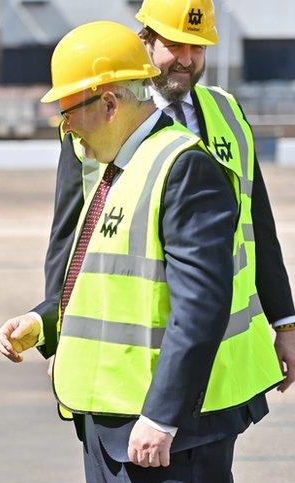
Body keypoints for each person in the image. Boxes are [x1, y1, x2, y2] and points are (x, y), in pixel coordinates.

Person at [0, 21, 282, 483]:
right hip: (111, 418)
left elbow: (201, 307)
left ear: (108, 104)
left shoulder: (182, 168)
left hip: (162, 430)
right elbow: (102, 275)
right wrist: (45, 320)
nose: (66, 127)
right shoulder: (115, 166)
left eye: (70, 111)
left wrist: (162, 417)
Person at [43, 0, 295, 392]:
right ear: (146, 42)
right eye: (175, 45)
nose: (187, 60)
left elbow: (256, 221)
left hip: (222, 357)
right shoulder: (99, 121)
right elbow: (71, 240)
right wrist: (61, 334)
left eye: (198, 48)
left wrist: (285, 322)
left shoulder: (228, 112)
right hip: (133, 358)